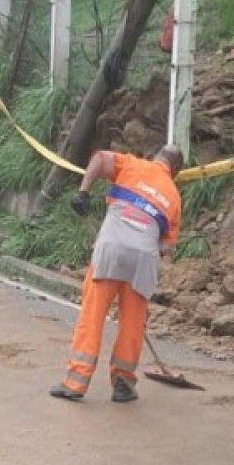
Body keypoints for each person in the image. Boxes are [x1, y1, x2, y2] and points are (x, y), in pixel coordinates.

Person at [51, 143, 184, 403]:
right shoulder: (174, 195)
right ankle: (123, 383)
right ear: (175, 171)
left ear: (154, 156)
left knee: (93, 314)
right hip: (143, 259)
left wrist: (83, 192)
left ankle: (75, 382)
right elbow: (167, 248)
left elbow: (100, 159)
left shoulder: (133, 164)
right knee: (132, 322)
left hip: (111, 248)